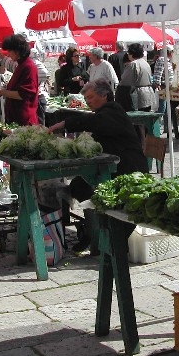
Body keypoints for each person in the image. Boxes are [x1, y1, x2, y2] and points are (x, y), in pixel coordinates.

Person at [48, 78, 148, 251]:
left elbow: (94, 122)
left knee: (86, 188)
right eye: (86, 99)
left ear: (105, 95)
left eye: (91, 97)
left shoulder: (113, 111)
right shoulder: (104, 112)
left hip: (129, 169)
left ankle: (102, 236)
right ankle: (93, 230)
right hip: (111, 166)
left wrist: (65, 123)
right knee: (79, 186)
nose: (88, 102)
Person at [0, 34, 39, 126]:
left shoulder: (28, 66)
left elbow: (23, 94)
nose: (8, 53)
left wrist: (0, 92)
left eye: (10, 50)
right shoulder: (21, 65)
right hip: (16, 117)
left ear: (18, 51)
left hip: (24, 120)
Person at [116, 43, 157, 113]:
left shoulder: (133, 64)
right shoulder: (145, 63)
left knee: (137, 120)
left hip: (138, 96)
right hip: (148, 94)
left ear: (132, 54)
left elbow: (125, 81)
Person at [30, 48, 50, 126]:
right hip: (41, 96)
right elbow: (46, 76)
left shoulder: (31, 65)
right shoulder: (41, 64)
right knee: (41, 122)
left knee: (36, 123)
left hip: (34, 97)